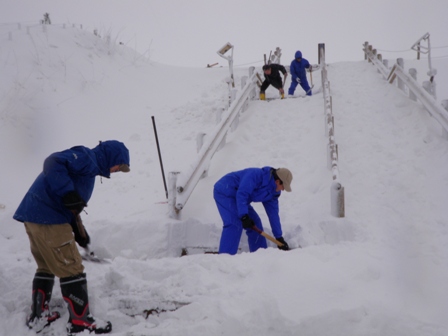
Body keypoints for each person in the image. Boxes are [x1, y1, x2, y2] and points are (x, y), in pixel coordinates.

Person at [13, 140, 130, 335]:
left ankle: (38, 315)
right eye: (120, 164)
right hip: (49, 217)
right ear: (112, 156)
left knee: (46, 265)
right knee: (72, 267)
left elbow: (72, 206)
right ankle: (81, 322)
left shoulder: (89, 170)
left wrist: (79, 231)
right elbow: (52, 162)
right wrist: (67, 192)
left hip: (34, 215)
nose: (118, 170)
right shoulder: (87, 157)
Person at [213, 167, 292, 255]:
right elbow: (242, 193)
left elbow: (273, 214)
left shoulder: (273, 193)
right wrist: (244, 216)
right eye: (283, 186)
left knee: (255, 223)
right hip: (225, 191)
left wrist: (278, 237)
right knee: (235, 224)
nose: (283, 189)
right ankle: (225, 258)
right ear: (278, 181)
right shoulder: (255, 175)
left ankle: (259, 256)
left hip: (240, 199)